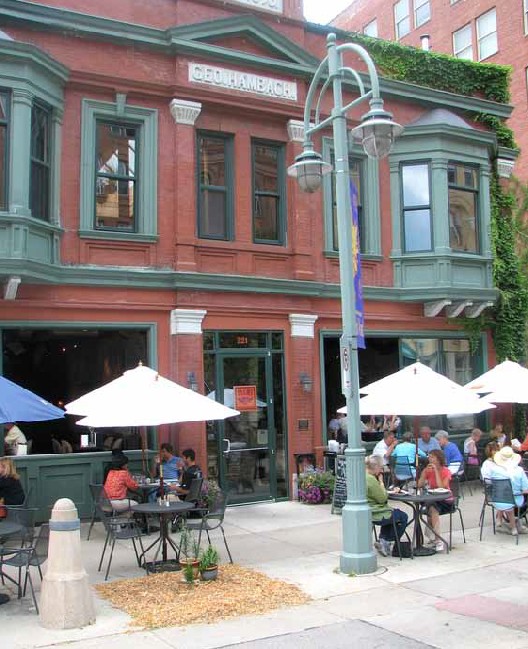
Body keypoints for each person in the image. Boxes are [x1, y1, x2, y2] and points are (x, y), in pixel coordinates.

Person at [365, 455, 408, 557]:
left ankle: (383, 540)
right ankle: (387, 541)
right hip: (376, 512)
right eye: (381, 468)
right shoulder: (371, 479)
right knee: (403, 517)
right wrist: (381, 482)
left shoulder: (363, 476)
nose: (382, 471)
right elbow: (382, 498)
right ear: (376, 467)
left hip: (369, 510)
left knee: (393, 513)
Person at [487, 445, 528, 536]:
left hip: (497, 499)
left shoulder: (494, 470)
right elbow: (526, 490)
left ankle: (503, 521)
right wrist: (519, 491)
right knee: (515, 496)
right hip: (515, 500)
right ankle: (515, 526)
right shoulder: (519, 470)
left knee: (506, 495)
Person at [417, 449, 453, 552]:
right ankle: (434, 538)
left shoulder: (446, 471)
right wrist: (424, 473)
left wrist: (436, 471)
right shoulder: (428, 470)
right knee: (431, 508)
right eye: (429, 457)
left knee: (432, 509)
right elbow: (419, 485)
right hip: (433, 499)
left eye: (432, 457)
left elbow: (442, 487)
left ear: (438, 459)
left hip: (445, 500)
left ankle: (437, 540)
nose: (430, 459)